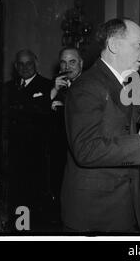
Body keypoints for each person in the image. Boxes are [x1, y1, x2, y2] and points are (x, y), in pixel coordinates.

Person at [60, 18, 140, 232]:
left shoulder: (118, 81)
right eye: (138, 44)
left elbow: (130, 115)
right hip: (94, 214)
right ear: (114, 45)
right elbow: (85, 150)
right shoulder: (88, 86)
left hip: (118, 206)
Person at [3, 49, 52, 230]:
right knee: (15, 198)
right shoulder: (7, 88)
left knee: (35, 201)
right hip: (12, 156)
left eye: (29, 63)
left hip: (37, 158)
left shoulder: (48, 86)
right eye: (20, 64)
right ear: (15, 66)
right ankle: (18, 231)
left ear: (36, 64)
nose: (24, 67)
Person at [48, 48, 84, 222]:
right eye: (63, 62)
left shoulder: (88, 86)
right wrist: (54, 92)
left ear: (81, 64)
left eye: (72, 62)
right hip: (58, 152)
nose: (67, 66)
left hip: (79, 154)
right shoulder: (55, 86)